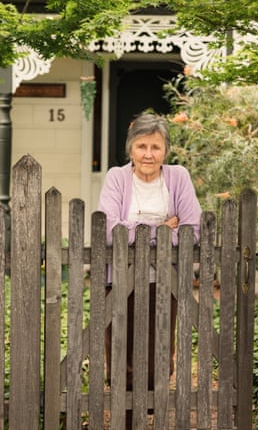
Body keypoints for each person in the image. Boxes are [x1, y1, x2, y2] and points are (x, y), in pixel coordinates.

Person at [98, 112, 201, 426]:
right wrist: (161, 228)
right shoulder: (117, 177)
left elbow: (192, 229)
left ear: (165, 150)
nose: (148, 154)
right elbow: (109, 229)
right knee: (121, 357)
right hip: (120, 281)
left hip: (163, 282)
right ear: (130, 149)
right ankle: (128, 418)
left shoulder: (178, 177)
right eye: (141, 146)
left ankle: (147, 414)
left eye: (155, 147)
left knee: (158, 357)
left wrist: (137, 230)